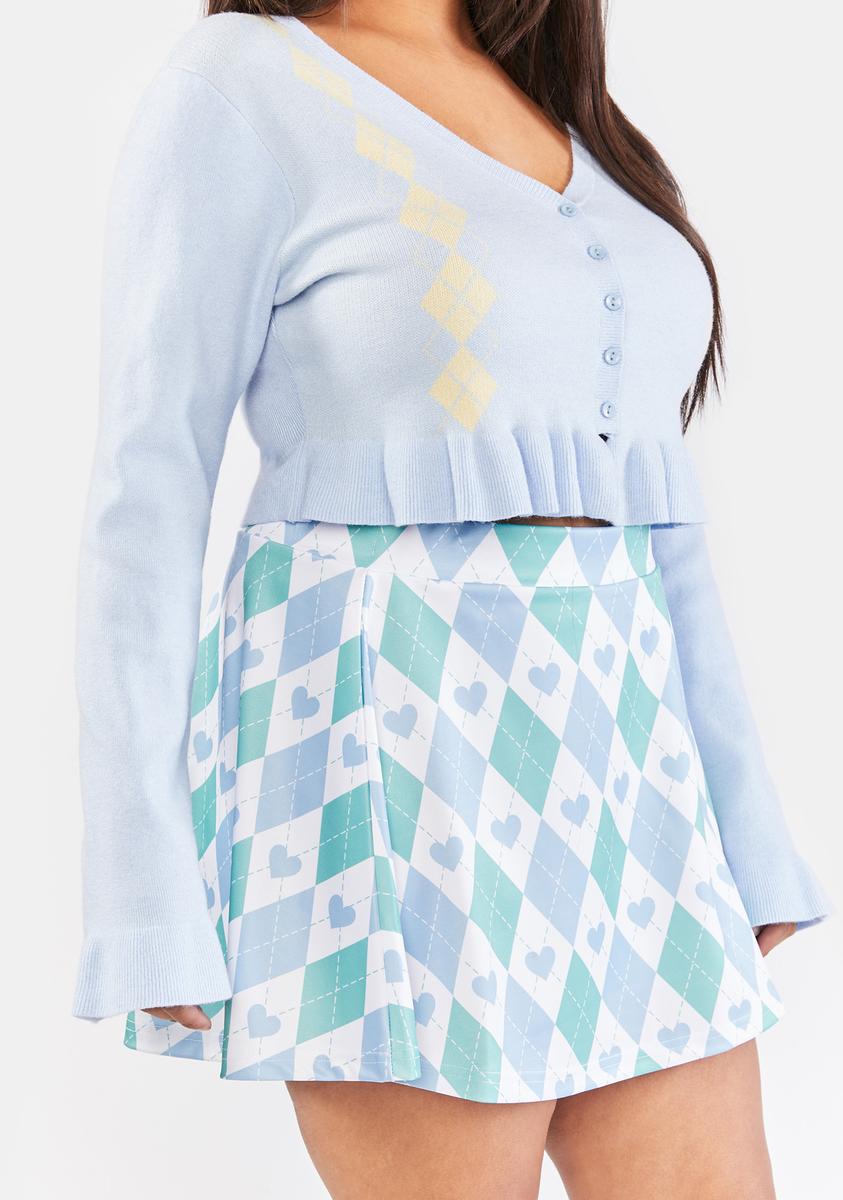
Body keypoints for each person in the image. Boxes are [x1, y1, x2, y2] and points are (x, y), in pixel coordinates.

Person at [71, 3, 832, 1197]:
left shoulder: (551, 93)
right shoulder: (239, 84)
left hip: (626, 768)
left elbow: (652, 511)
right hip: (391, 751)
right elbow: (148, 494)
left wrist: (745, 827)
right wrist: (142, 897)